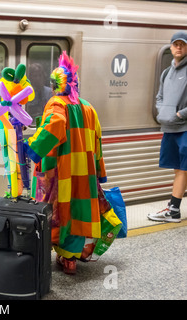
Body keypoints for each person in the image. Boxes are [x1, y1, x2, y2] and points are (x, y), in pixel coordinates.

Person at [24, 52, 122, 274]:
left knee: (60, 211)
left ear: (56, 85)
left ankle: (56, 255)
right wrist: (99, 170)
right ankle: (72, 256)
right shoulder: (88, 107)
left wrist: (32, 147)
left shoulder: (57, 104)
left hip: (62, 172)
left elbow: (54, 126)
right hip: (85, 173)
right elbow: (97, 140)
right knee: (80, 210)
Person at [148, 31, 187, 223]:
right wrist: (162, 111)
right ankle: (174, 210)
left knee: (183, 169)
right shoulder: (166, 72)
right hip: (170, 127)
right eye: (175, 44)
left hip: (185, 127)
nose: (178, 47)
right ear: (171, 47)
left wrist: (180, 114)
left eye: (183, 44)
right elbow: (159, 96)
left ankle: (173, 209)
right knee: (179, 168)